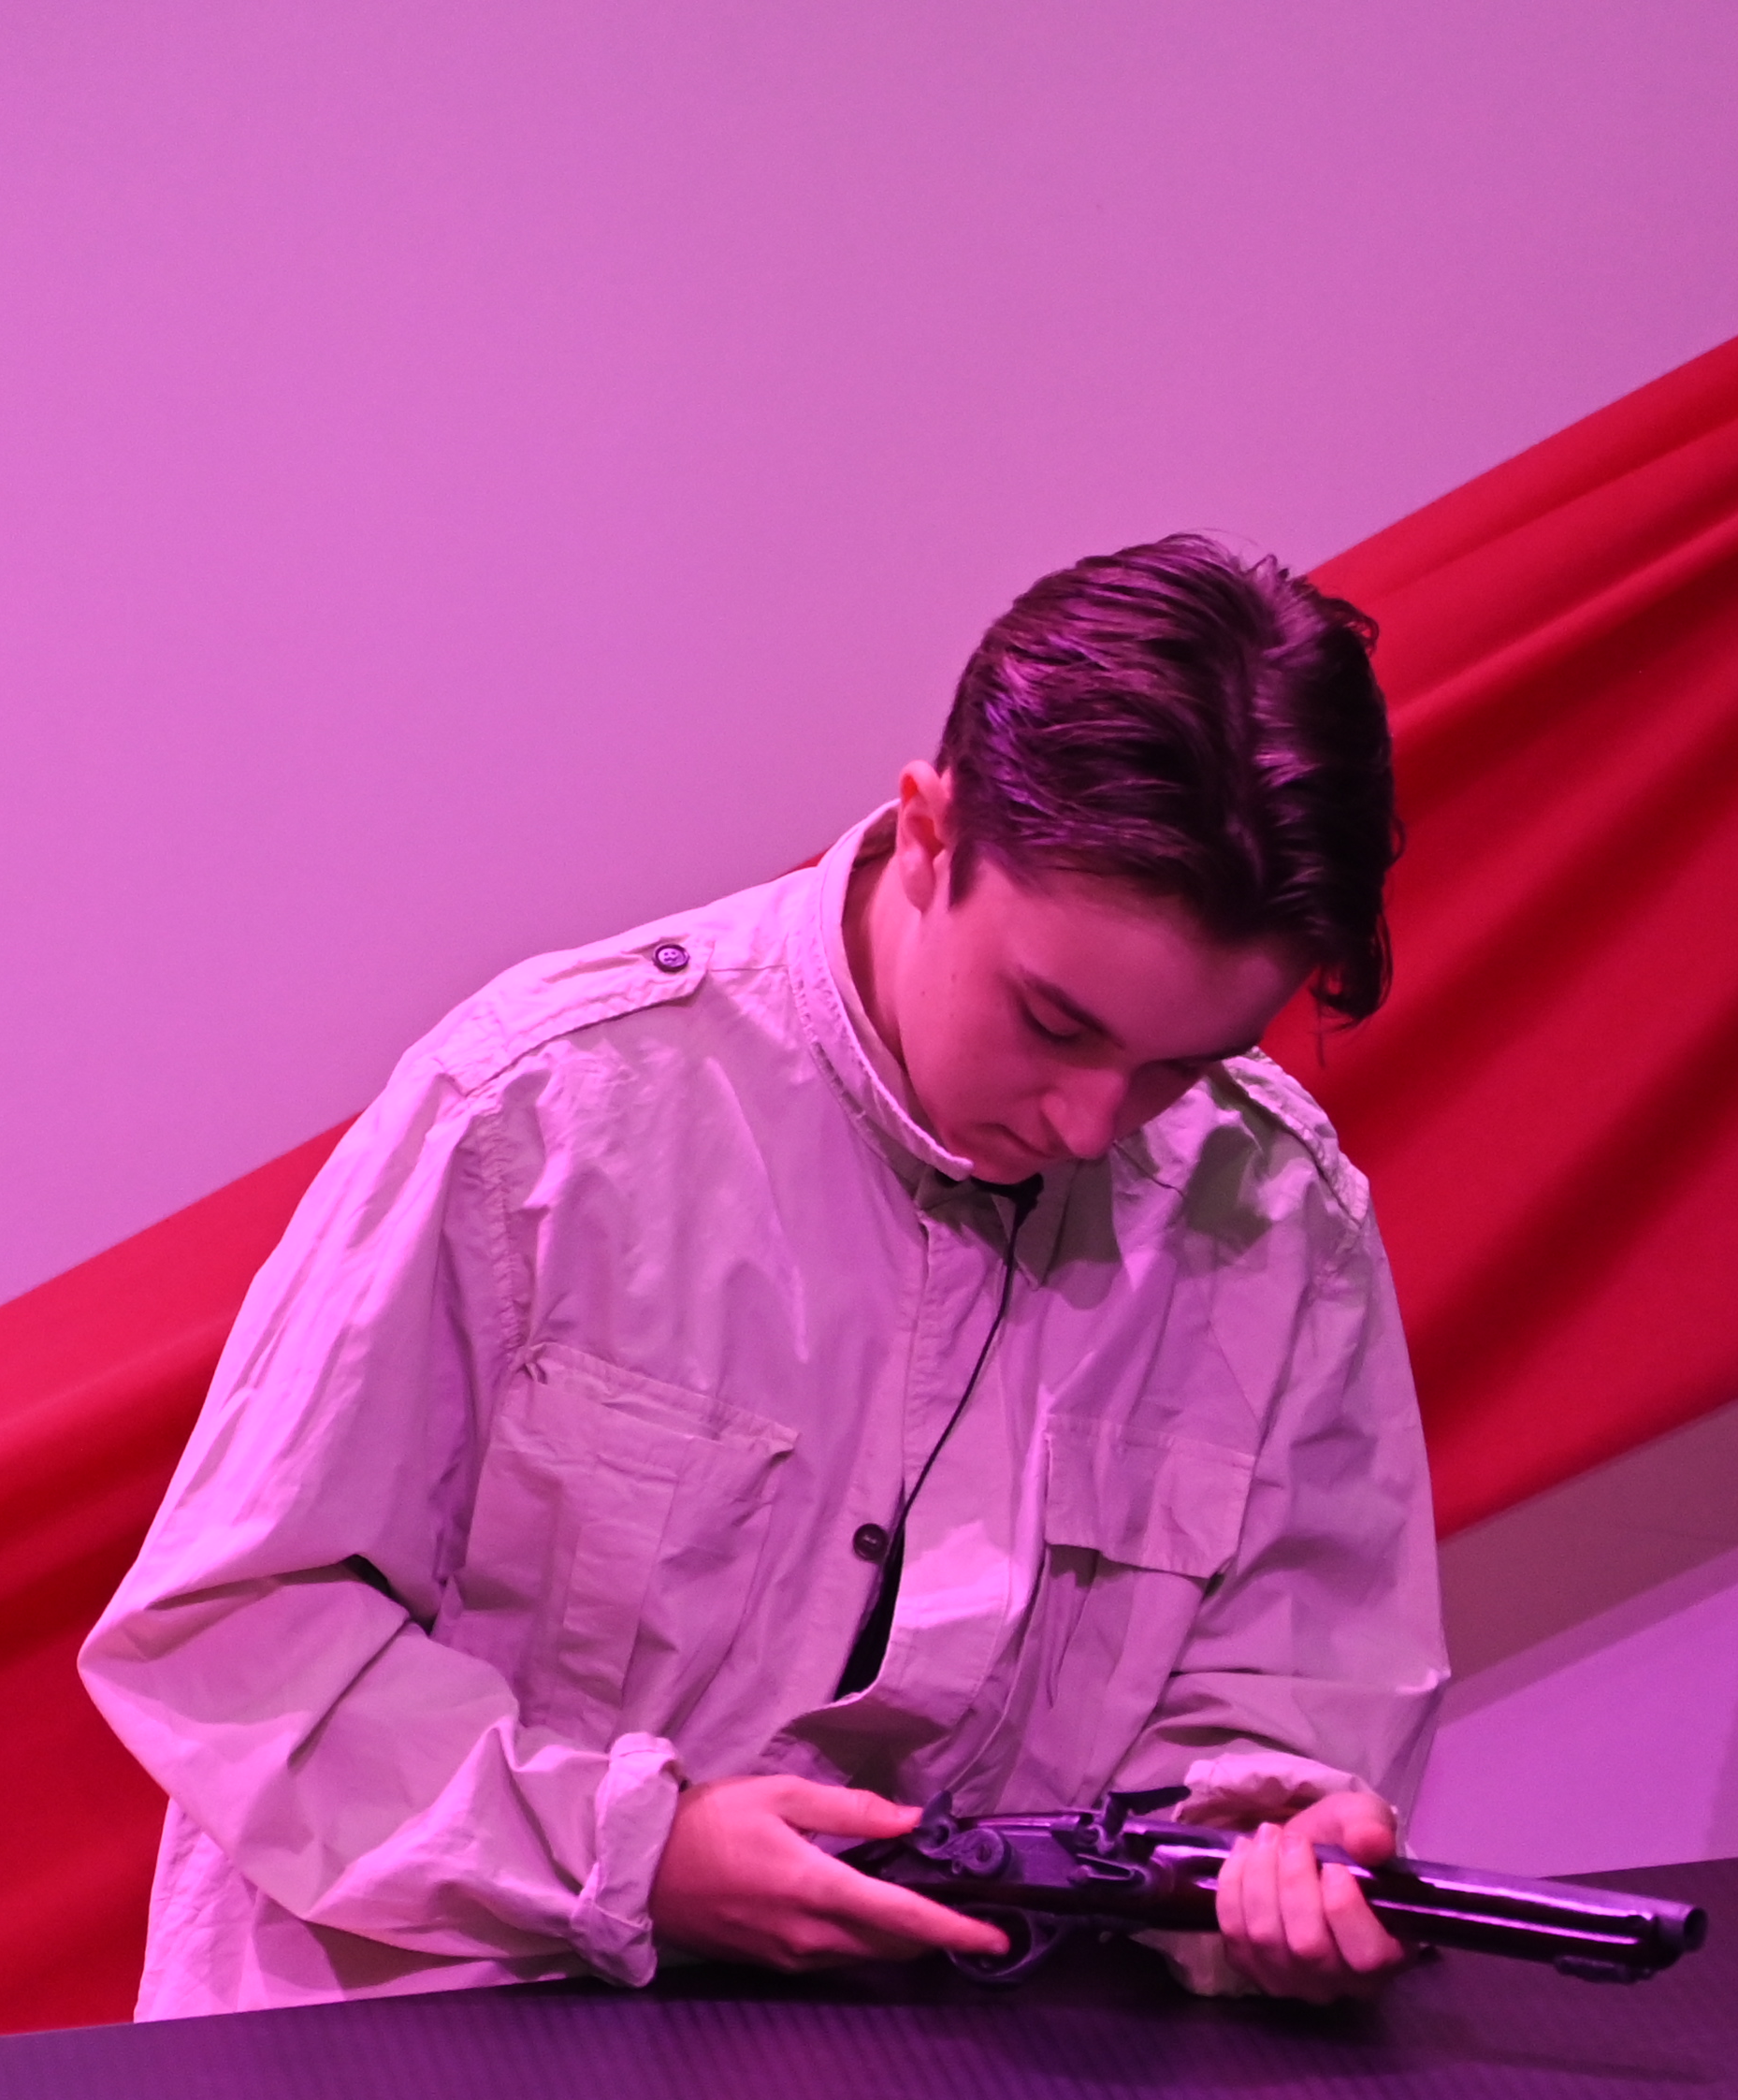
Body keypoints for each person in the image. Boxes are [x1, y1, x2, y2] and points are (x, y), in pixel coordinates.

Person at [81, 534, 1447, 2016]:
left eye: (1185, 1066)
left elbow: (1289, 1708)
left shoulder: (1276, 1213)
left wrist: (1263, 1855)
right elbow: (239, 1639)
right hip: (430, 2073)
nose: (1090, 1124)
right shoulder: (538, 1113)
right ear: (929, 833)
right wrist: (635, 1855)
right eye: (1055, 1024)